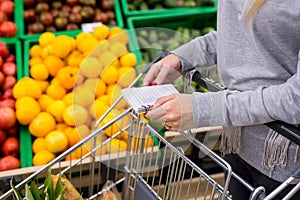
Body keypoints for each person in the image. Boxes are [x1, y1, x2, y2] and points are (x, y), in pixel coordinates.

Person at [143, 0, 300, 199]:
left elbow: (297, 99)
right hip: (237, 141)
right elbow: (244, 33)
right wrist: (184, 57)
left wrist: (207, 109)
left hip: (285, 162)